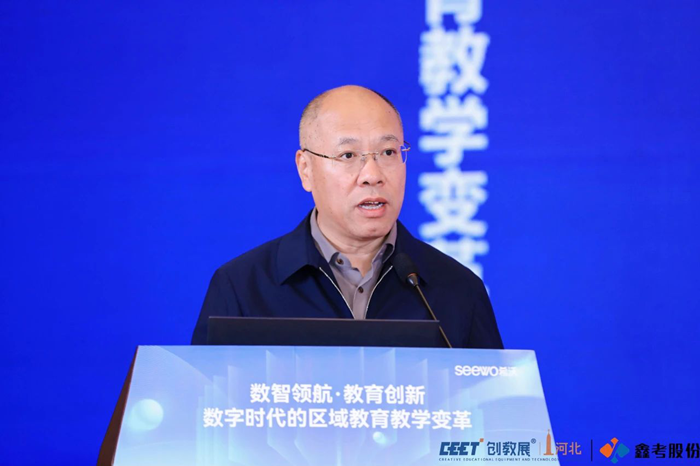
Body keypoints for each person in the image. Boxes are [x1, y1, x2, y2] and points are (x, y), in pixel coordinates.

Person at [191, 85, 502, 348]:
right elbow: (209, 398)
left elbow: (490, 400)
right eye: (348, 155)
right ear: (305, 169)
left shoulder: (458, 289)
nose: (372, 175)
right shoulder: (243, 286)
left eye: (388, 152)